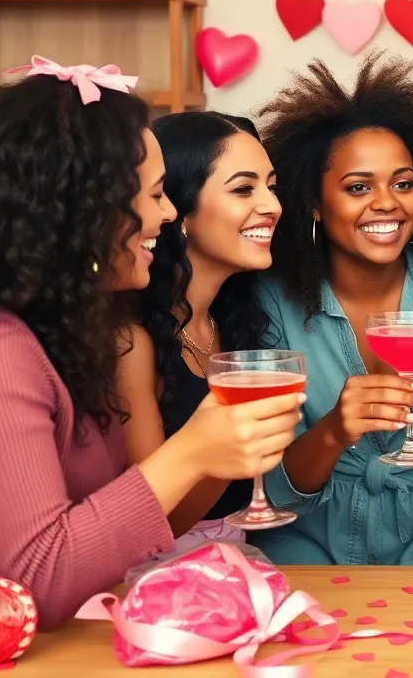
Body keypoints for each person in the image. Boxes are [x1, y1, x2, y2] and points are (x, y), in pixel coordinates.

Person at [0, 59, 302, 628]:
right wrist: (191, 451)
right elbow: (38, 579)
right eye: (152, 195)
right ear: (83, 212)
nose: (167, 213)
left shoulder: (64, 328)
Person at [253, 52, 413, 565]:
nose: (387, 202)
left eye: (402, 183)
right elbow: (276, 483)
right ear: (313, 202)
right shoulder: (272, 297)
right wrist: (337, 427)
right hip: (305, 541)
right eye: (358, 187)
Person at [118, 111, 288, 551]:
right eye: (243, 189)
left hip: (240, 560)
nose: (271, 205)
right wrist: (229, 446)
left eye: (271, 186)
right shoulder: (132, 340)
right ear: (178, 207)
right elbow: (157, 522)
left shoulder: (232, 320)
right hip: (162, 572)